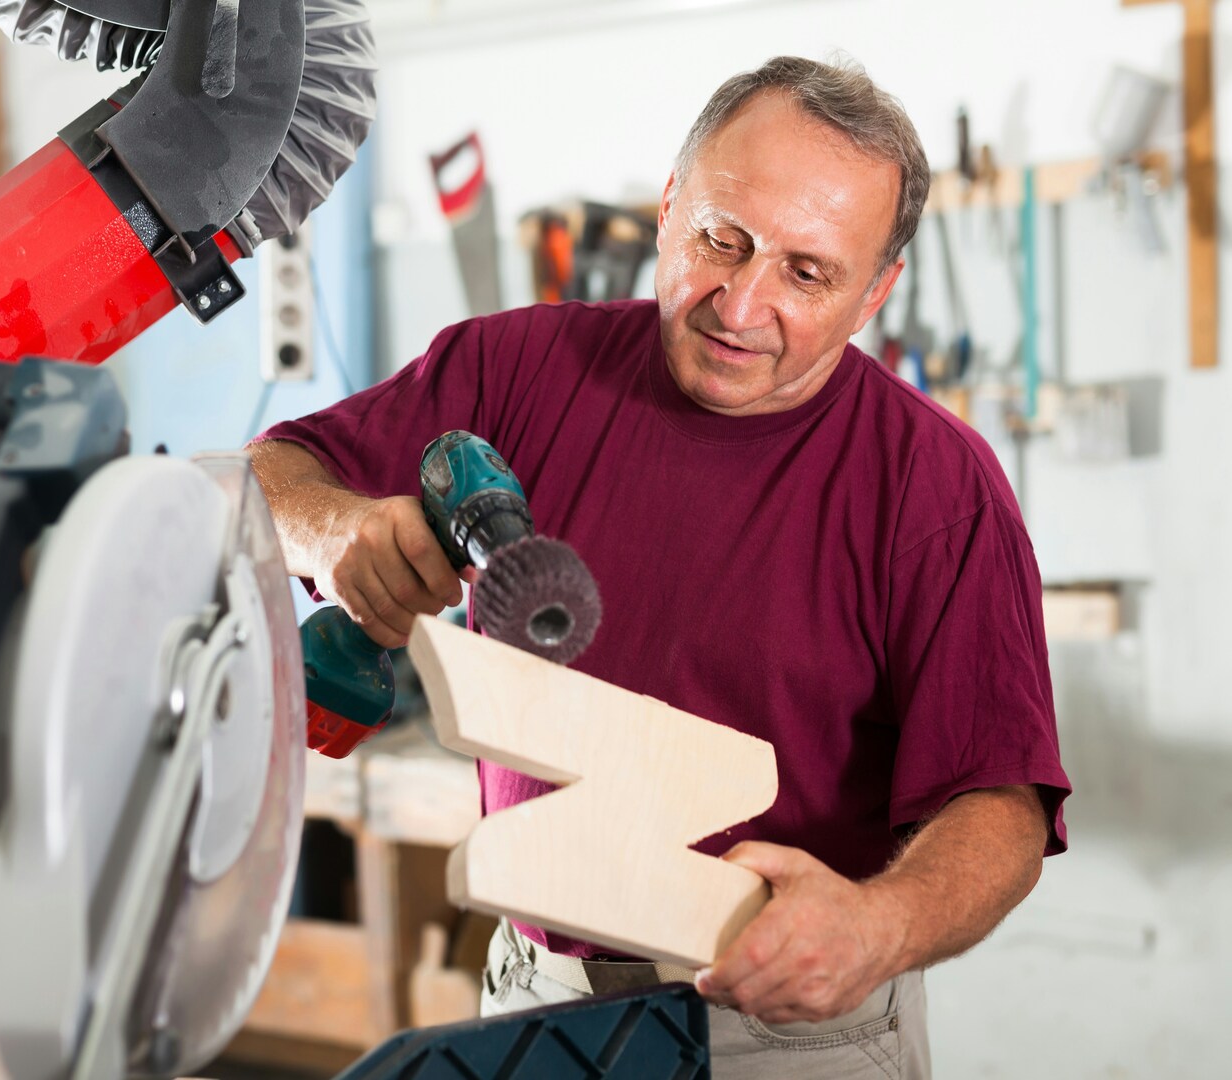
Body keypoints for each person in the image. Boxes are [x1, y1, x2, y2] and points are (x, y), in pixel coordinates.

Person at [249, 55, 1070, 1078]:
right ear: (670, 205)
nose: (740, 302)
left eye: (807, 274)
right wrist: (336, 534)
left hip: (787, 1032)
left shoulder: (938, 489)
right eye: (721, 239)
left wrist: (880, 924)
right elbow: (270, 474)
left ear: (875, 295)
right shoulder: (512, 372)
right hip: (534, 999)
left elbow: (1002, 805)